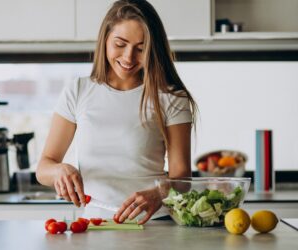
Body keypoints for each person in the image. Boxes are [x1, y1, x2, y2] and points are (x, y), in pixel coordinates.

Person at [36, 0, 197, 225]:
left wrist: (158, 193)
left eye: (141, 49)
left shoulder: (171, 98)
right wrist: (59, 171)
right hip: (93, 224)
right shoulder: (79, 91)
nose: (129, 57)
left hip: (153, 224)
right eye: (120, 44)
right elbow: (44, 167)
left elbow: (182, 180)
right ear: (105, 40)